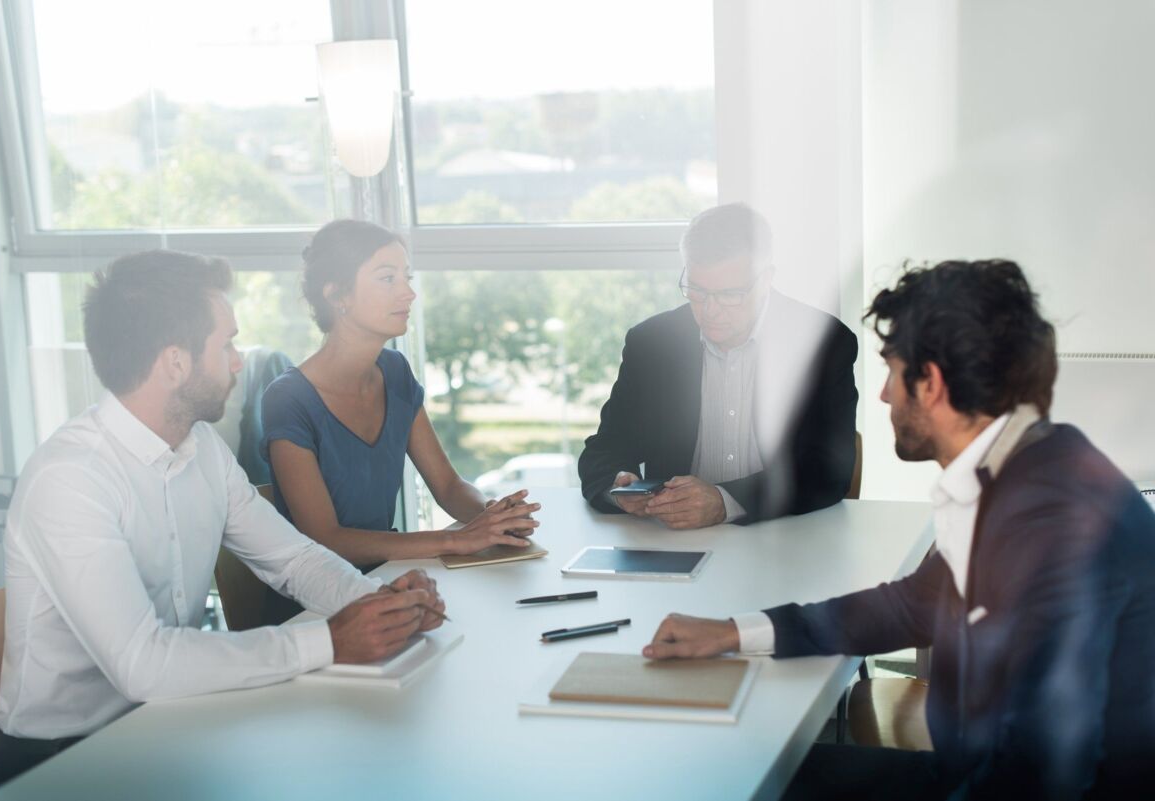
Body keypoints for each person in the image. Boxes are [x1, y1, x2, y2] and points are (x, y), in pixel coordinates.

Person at [643, 260, 1155, 799]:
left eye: (891, 370)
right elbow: (912, 606)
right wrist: (733, 632)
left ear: (930, 382)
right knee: (734, 769)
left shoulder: (1053, 526)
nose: (884, 395)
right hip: (968, 770)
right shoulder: (1024, 467)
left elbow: (1049, 772)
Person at [0, 251, 445, 782]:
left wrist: (379, 605)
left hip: (169, 721)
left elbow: (293, 559)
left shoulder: (202, 447)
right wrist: (332, 640)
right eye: (226, 343)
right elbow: (144, 664)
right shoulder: (70, 479)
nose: (238, 361)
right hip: (63, 760)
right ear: (175, 362)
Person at [261, 220, 539, 568]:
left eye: (406, 277)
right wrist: (457, 539)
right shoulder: (288, 399)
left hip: (386, 580)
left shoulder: (394, 372)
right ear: (337, 295)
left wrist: (492, 518)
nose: (408, 293)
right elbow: (326, 539)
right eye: (387, 278)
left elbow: (449, 487)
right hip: (317, 603)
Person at [578, 202, 858, 528]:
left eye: (730, 295)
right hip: (675, 541)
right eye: (696, 291)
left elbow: (827, 469)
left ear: (766, 278)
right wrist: (619, 486)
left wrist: (725, 501)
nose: (709, 311)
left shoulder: (821, 342)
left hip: (785, 535)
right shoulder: (651, 343)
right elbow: (603, 450)